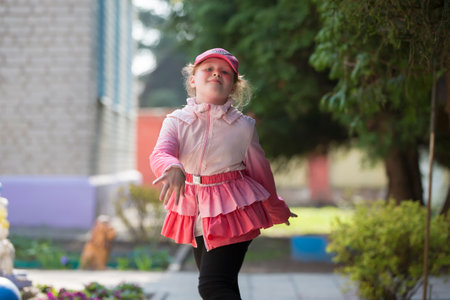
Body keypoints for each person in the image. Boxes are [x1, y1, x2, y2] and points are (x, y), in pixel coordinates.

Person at [150, 48, 297, 300]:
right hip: (194, 209)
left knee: (212, 286)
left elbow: (261, 172)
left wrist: (275, 206)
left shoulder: (244, 127)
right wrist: (172, 167)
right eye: (209, 69)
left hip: (233, 210)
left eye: (225, 71)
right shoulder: (175, 121)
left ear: (233, 86)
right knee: (224, 285)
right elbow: (161, 153)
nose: (216, 73)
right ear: (193, 79)